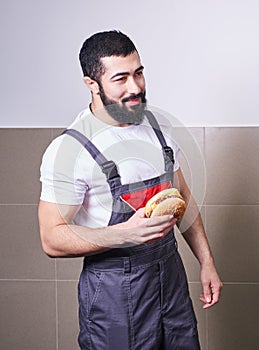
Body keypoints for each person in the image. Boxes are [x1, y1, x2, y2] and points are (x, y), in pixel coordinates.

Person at [38, 30, 222, 350]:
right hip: (114, 292)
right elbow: (51, 239)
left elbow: (183, 199)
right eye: (120, 78)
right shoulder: (70, 149)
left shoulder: (156, 127)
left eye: (139, 73)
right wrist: (125, 234)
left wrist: (206, 261)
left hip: (170, 277)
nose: (135, 87)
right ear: (91, 84)